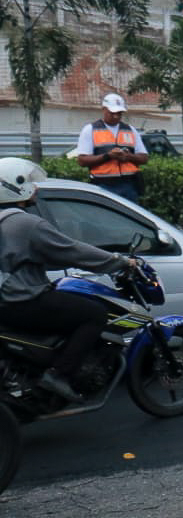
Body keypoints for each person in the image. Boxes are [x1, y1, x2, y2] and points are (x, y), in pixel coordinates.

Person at [0, 157, 135, 403]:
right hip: (22, 300)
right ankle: (58, 375)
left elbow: (48, 256)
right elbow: (72, 250)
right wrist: (120, 262)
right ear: (14, 185)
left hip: (5, 304)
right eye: (30, 182)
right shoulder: (25, 224)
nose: (36, 188)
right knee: (93, 314)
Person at [75, 93, 149, 202]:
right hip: (103, 186)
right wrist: (108, 156)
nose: (116, 116)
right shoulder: (90, 130)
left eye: (119, 113)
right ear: (104, 109)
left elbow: (144, 158)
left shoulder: (130, 130)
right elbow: (82, 160)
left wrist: (129, 157)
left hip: (129, 186)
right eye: (113, 113)